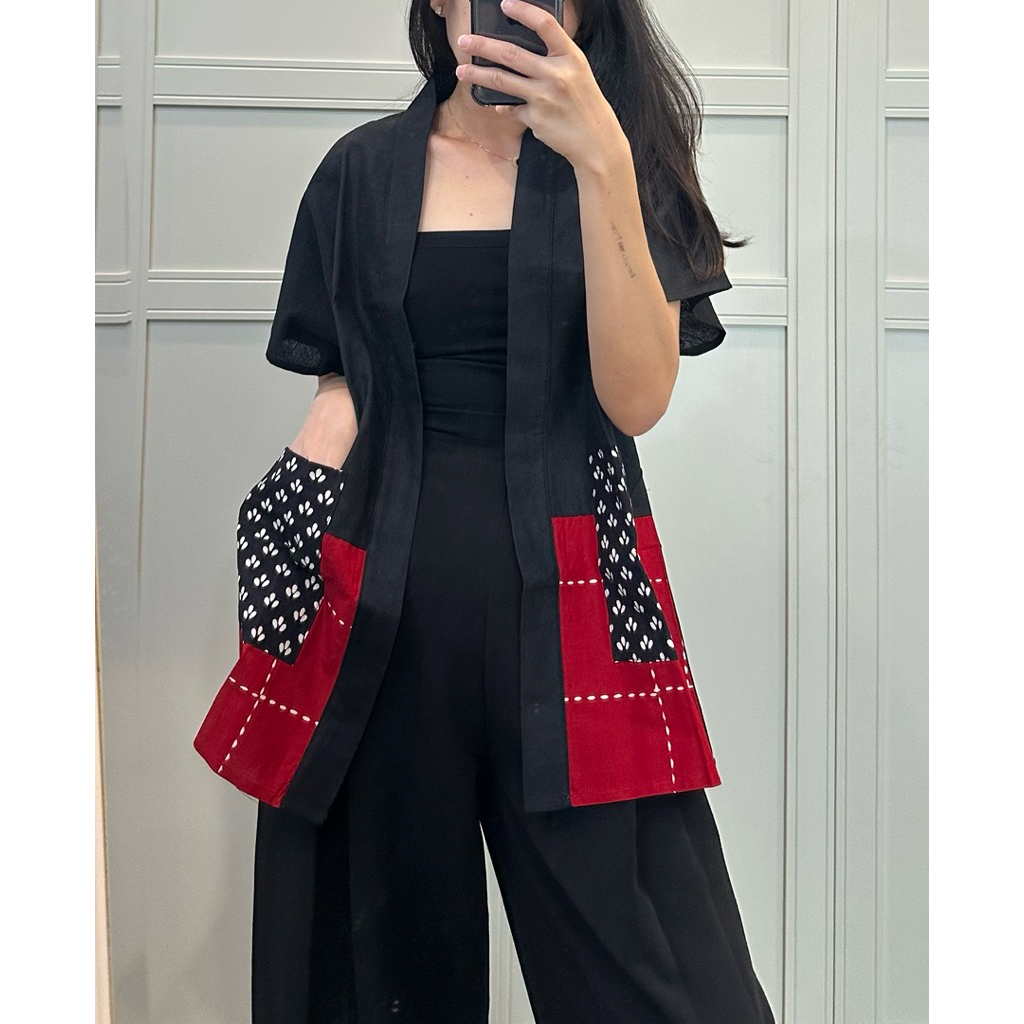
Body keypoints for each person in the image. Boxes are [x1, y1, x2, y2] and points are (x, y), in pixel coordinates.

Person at [207, 1, 774, 1020]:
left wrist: (601, 158)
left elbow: (635, 400)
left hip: (580, 613)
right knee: (372, 973)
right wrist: (287, 506)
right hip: (377, 615)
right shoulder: (360, 173)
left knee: (663, 978)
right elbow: (345, 379)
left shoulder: (623, 160)